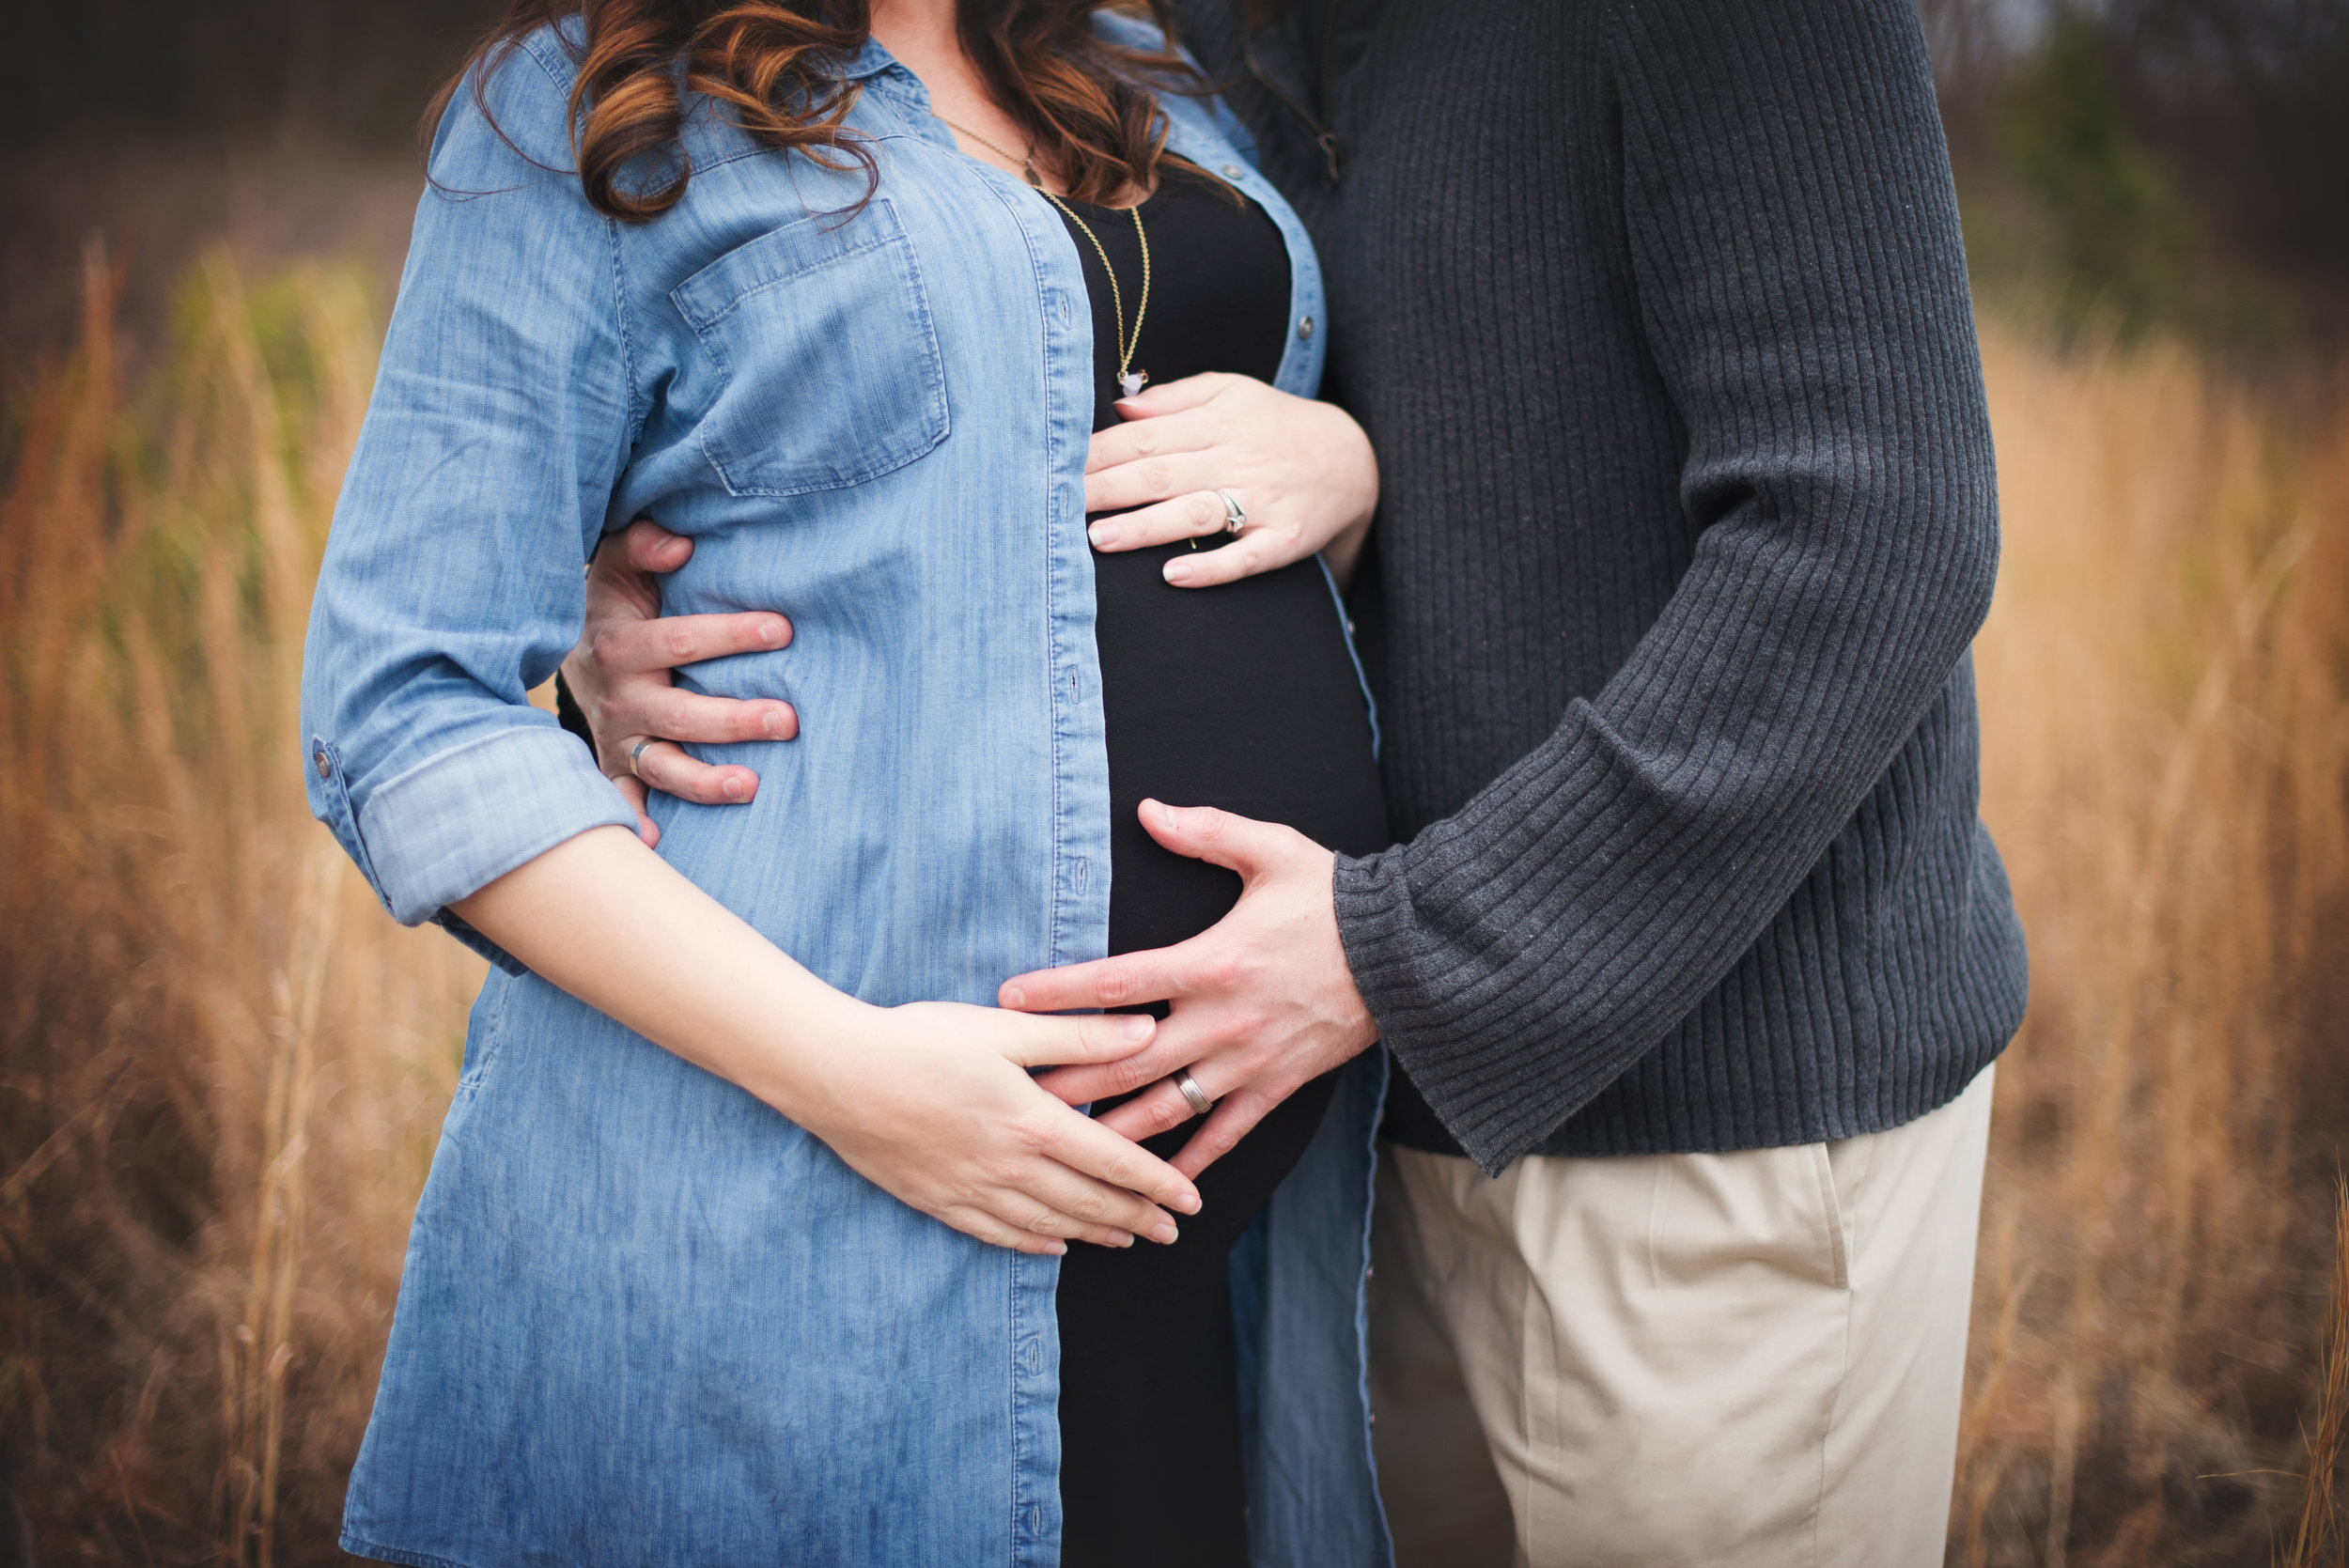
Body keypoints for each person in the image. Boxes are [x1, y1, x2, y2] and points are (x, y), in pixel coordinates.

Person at [573, 0, 2033, 1562]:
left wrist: (1393, 950)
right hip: (1356, 1149)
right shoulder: (1191, 23)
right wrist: (629, 562)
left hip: (1704, 1133)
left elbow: (1876, 527)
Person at [300, 0, 1397, 1561]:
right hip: (798, 1237)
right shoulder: (580, 107)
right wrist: (853, 1079)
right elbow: (405, 701)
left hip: (1201, 1274)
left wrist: (1343, 473)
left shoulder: (1142, 55)